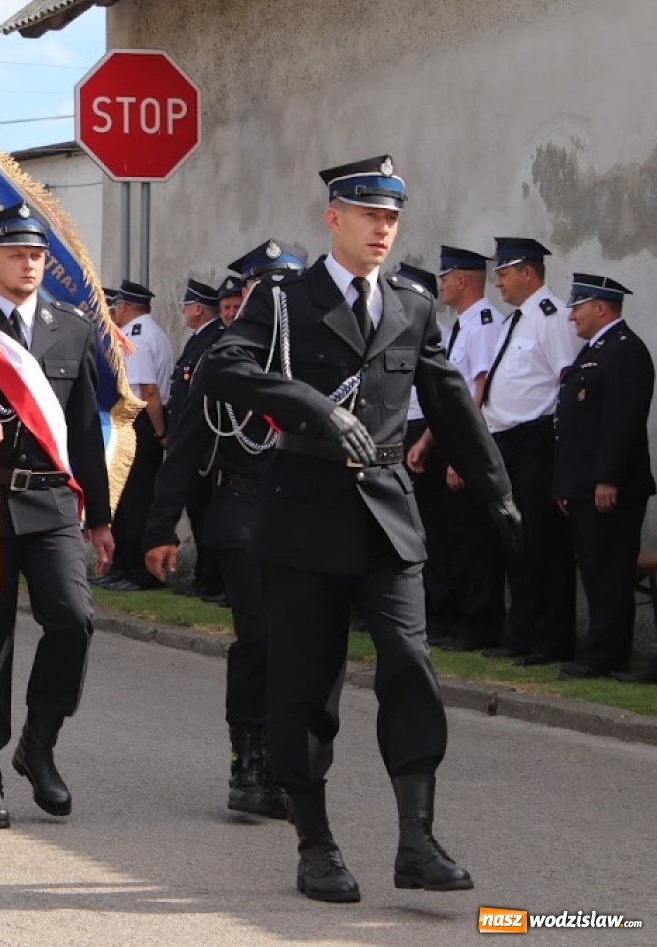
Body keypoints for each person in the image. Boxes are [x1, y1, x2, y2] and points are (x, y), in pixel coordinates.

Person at [201, 155, 521, 903]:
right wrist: (313, 406)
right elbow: (224, 367)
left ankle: (417, 839)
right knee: (306, 685)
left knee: (410, 664)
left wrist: (499, 494)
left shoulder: (411, 303)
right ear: (333, 218)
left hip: (387, 511)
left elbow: (451, 403)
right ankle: (315, 843)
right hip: (306, 512)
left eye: (392, 217)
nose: (383, 228)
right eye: (369, 214)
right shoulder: (285, 299)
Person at [0, 202, 113, 830]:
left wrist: (100, 517)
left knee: (74, 620)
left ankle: (39, 743)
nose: (29, 265)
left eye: (36, 255)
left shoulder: (73, 327)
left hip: (52, 500)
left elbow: (84, 427)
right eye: (16, 255)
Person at [144, 242, 306, 820]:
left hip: (309, 518)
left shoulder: (315, 354)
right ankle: (250, 760)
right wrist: (161, 527)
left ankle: (295, 763)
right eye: (267, 290)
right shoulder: (224, 357)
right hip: (245, 510)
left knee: (304, 646)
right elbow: (186, 444)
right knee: (260, 639)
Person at [478, 237, 580, 667]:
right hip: (505, 442)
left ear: (528, 272)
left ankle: (550, 640)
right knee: (514, 541)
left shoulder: (551, 317)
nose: (498, 282)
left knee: (543, 542)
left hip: (536, 441)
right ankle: (523, 634)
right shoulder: (513, 320)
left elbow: (567, 383)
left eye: (504, 273)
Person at [553, 275, 654, 679]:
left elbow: (622, 423)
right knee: (595, 571)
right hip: (585, 484)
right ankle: (602, 650)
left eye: (578, 307)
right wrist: (567, 484)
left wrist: (607, 478)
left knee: (610, 572)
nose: (571, 316)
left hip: (610, 486)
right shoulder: (597, 349)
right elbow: (575, 425)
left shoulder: (624, 350)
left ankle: (605, 654)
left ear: (601, 307)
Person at [415, 246, 508, 651]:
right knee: (455, 537)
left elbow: (480, 392)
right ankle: (458, 618)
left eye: (445, 277)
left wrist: (462, 452)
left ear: (462, 279)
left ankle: (480, 623)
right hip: (450, 441)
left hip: (470, 446)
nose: (441, 285)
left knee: (476, 540)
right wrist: (428, 441)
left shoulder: (483, 323)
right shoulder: (461, 326)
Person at [390, 264, 454, 637]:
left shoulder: (437, 335)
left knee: (428, 526)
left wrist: (425, 440)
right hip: (395, 430)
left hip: (423, 431)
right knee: (398, 527)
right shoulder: (391, 330)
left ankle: (438, 609)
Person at [95, 281, 171, 591]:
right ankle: (123, 567)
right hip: (137, 419)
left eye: (117, 307)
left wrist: (160, 432)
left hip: (142, 421)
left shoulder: (137, 336)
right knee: (126, 500)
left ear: (125, 306)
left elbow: (148, 392)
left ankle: (141, 573)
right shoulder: (145, 332)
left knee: (138, 501)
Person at [169, 278, 227, 603]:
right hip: (188, 440)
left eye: (186, 306)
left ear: (198, 309)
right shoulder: (199, 338)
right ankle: (204, 577)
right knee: (197, 510)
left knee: (206, 513)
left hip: (204, 446)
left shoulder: (215, 338)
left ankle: (211, 579)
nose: (183, 311)